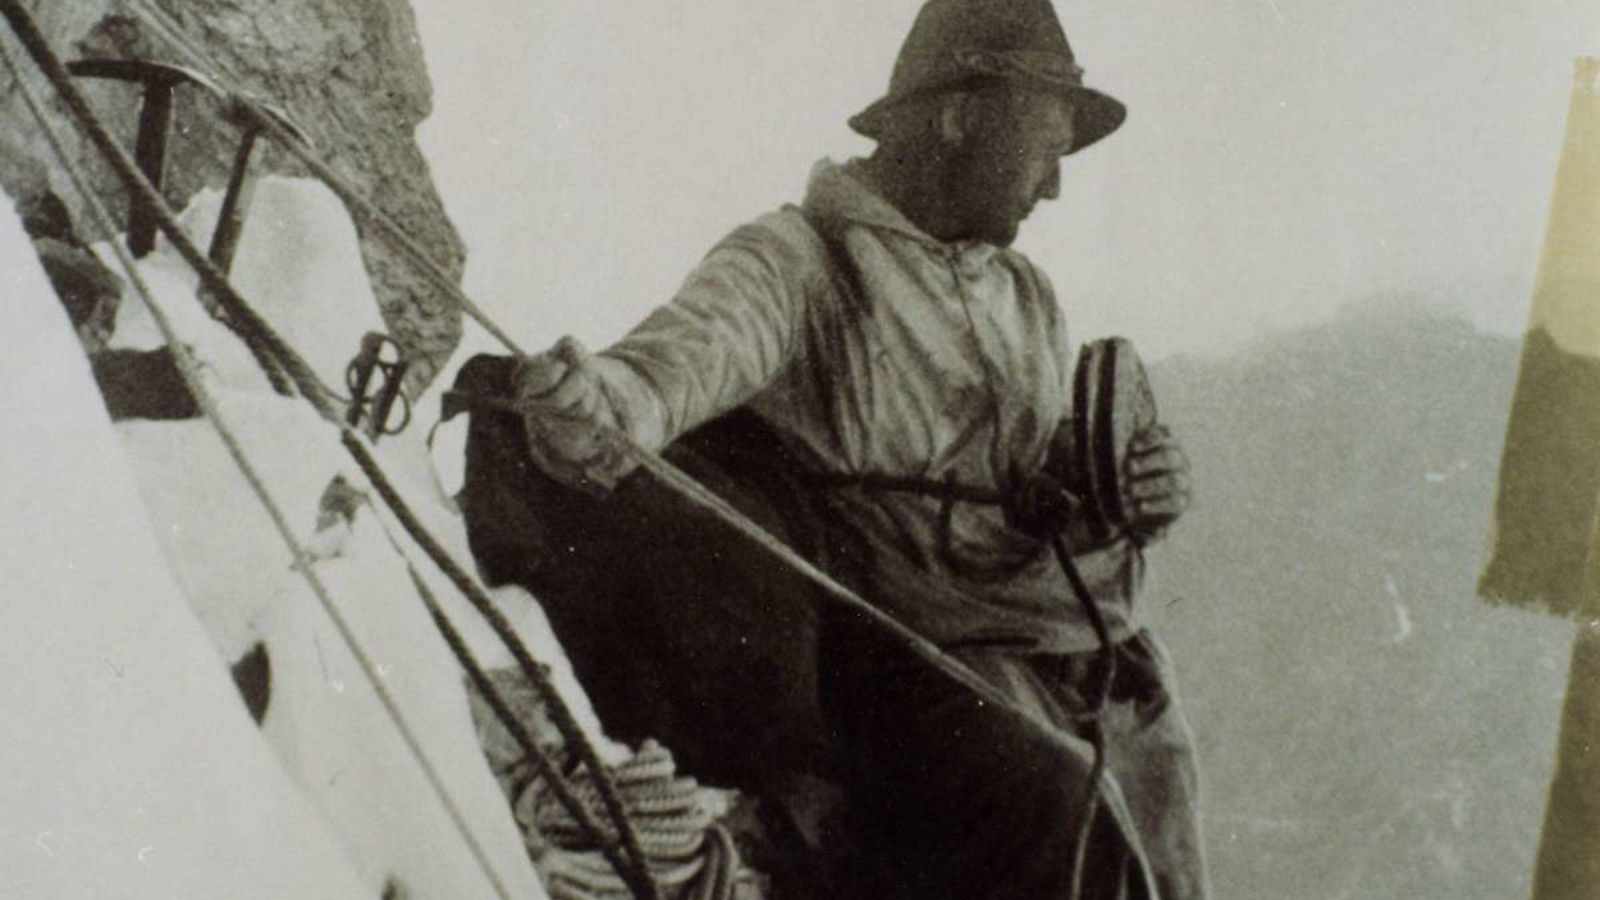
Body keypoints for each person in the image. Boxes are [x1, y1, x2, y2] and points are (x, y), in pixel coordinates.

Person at [506, 1, 1209, 897]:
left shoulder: (1025, 294)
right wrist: (589, 404)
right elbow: (670, 369)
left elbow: (1037, 468)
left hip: (1057, 633)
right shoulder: (796, 263)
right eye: (1044, 147)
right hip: (900, 652)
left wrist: (1129, 483)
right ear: (959, 116)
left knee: (1158, 820)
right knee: (1054, 796)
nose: (1053, 186)